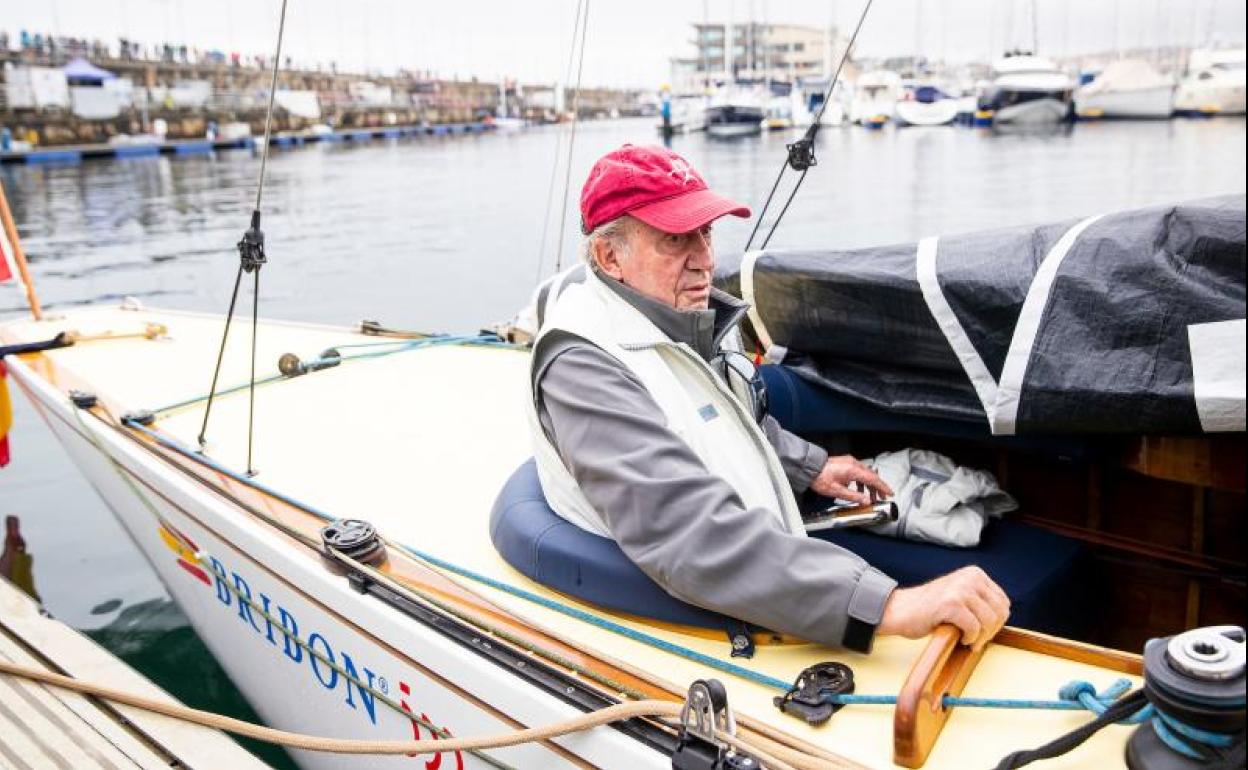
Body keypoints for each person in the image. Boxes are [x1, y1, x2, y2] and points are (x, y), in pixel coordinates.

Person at [526, 144, 1009, 653]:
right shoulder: (582, 364)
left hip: (760, 578)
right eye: (675, 238)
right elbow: (686, 532)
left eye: (706, 232)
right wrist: (889, 607)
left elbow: (724, 415)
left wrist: (811, 467)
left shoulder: (683, 316)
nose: (705, 260)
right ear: (609, 258)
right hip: (695, 625)